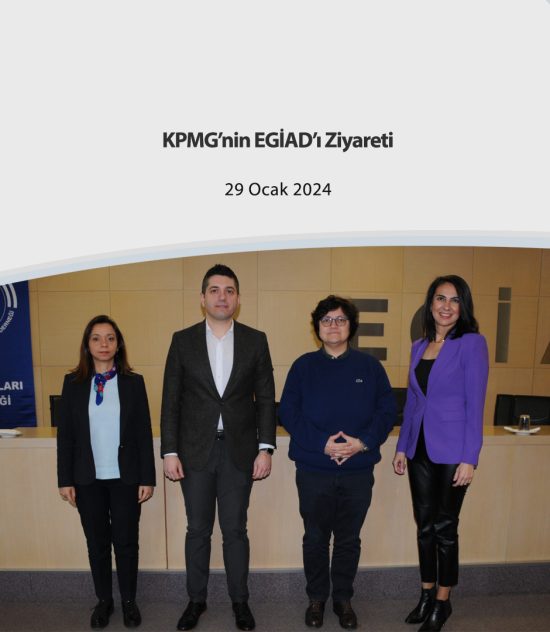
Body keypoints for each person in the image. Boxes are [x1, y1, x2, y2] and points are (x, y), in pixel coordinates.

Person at [161, 264, 276, 632]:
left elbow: (266, 398)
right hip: (195, 452)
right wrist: (169, 451)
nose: (222, 296)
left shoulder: (256, 340)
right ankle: (196, 600)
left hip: (240, 452)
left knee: (235, 530)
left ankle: (240, 601)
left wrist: (265, 447)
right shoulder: (183, 341)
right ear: (202, 298)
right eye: (214, 290)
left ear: (238, 299)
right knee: (197, 530)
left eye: (229, 290)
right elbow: (170, 400)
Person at [279, 295, 396, 630]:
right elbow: (288, 412)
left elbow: (387, 410)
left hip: (358, 471)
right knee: (315, 538)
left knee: (348, 539)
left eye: (340, 319)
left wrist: (362, 443)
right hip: (314, 470)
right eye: (326, 320)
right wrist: (322, 443)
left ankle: (343, 599)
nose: (333, 325)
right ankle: (316, 598)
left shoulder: (370, 367)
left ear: (351, 326)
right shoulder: (303, 367)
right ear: (317, 327)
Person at [392, 275, 489, 632]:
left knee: (445, 527)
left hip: (452, 451)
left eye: (454, 300)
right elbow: (413, 402)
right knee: (424, 526)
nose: (446, 306)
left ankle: (443, 601)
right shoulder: (419, 345)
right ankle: (426, 592)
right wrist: (402, 446)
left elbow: (476, 404)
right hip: (419, 449)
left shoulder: (472, 343)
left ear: (463, 306)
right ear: (430, 303)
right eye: (440, 298)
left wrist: (470, 457)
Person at [57, 315, 156, 630]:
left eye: (110, 338)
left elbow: (143, 433)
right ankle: (104, 601)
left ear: (118, 344)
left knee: (126, 543)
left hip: (125, 478)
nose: (104, 344)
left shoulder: (133, 383)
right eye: (96, 338)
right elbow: (66, 437)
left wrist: (147, 478)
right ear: (87, 345)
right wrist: (65, 480)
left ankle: (128, 601)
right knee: (97, 544)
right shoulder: (73, 384)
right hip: (87, 479)